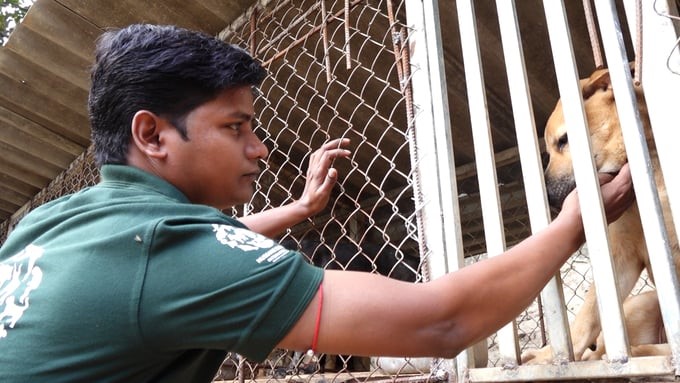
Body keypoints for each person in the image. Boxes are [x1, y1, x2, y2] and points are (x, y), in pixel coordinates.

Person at [0, 24, 634, 382]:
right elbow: (441, 323)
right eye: (235, 126)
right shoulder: (171, 260)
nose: (260, 149)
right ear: (151, 135)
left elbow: (174, 259)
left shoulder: (49, 223)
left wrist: (300, 209)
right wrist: (572, 226)